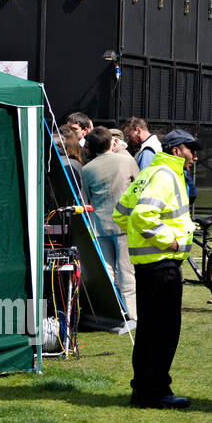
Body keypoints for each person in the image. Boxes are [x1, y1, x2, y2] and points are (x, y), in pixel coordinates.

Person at [113, 129, 199, 409]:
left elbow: (121, 213)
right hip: (162, 266)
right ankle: (154, 391)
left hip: (149, 266)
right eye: (190, 149)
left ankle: (145, 389)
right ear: (176, 150)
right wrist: (169, 243)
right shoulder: (165, 175)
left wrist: (142, 242)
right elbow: (141, 216)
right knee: (163, 332)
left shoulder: (151, 172)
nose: (194, 156)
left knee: (150, 331)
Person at [82, 127, 139, 322]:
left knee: (107, 271)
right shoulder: (127, 160)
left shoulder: (87, 169)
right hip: (124, 223)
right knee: (126, 270)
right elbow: (139, 186)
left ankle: (112, 311)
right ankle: (132, 313)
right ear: (111, 142)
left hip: (99, 224)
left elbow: (86, 199)